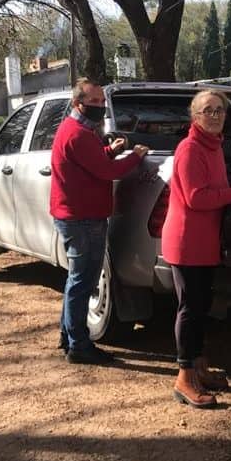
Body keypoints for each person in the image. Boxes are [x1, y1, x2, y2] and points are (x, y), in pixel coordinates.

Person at [161, 89, 231, 408]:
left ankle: (199, 368)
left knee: (201, 307)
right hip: (187, 242)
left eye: (219, 110)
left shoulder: (214, 147)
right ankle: (184, 378)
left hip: (205, 242)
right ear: (195, 116)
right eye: (207, 110)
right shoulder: (189, 149)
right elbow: (196, 197)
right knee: (190, 308)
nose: (214, 116)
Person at [50, 78, 149, 365]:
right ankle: (79, 344)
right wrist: (136, 157)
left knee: (76, 280)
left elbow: (92, 162)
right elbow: (107, 172)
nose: (100, 106)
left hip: (76, 215)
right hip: (82, 219)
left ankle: (68, 336)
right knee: (84, 281)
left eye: (101, 102)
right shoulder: (78, 134)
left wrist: (112, 150)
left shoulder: (77, 130)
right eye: (93, 102)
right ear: (76, 103)